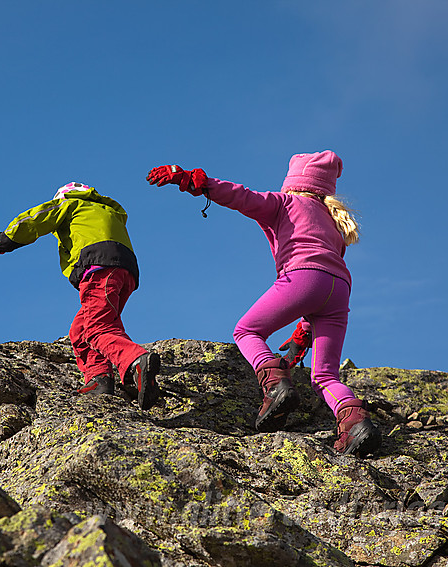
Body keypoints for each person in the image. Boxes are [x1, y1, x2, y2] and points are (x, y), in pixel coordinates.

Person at [146, 152, 381, 456]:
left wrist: (195, 181)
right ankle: (355, 422)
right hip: (339, 289)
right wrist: (303, 333)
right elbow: (325, 279)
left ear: (294, 182)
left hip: (302, 277)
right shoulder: (333, 221)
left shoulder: (285, 203)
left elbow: (243, 197)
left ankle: (275, 384)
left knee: (246, 331)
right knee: (325, 376)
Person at [0, 182, 161, 410]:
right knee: (79, 331)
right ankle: (99, 379)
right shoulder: (107, 211)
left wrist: (3, 241)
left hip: (98, 268)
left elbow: (35, 219)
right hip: (124, 272)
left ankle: (135, 360)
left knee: (98, 329)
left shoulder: (70, 205)